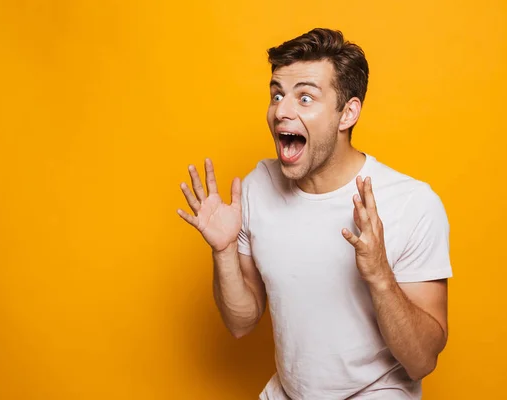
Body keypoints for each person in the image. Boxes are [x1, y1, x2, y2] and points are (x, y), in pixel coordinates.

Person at [177, 28, 452, 400]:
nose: (282, 111)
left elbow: (422, 362)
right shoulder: (259, 187)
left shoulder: (411, 204)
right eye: (277, 94)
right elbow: (241, 322)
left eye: (305, 97)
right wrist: (224, 251)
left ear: (347, 113)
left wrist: (380, 276)